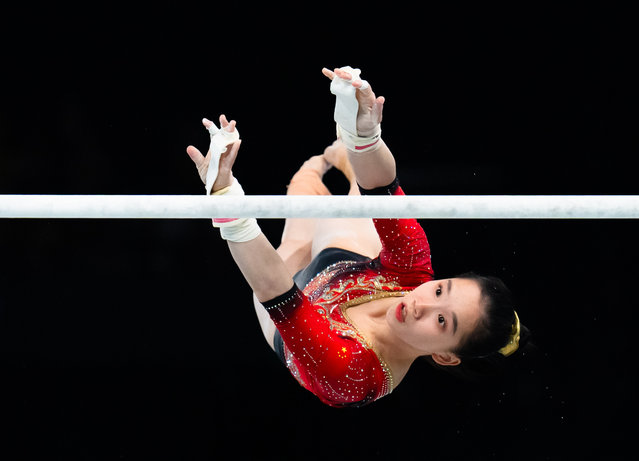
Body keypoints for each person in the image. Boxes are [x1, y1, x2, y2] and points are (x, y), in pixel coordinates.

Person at [185, 66, 525, 408]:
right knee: (351, 209)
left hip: (291, 308)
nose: (420, 304)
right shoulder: (413, 273)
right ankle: (344, 154)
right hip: (345, 266)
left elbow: (275, 290)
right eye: (440, 289)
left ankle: (323, 162)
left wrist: (225, 197)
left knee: (303, 190)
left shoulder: (354, 375)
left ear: (445, 356)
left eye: (441, 322)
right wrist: (364, 136)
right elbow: (382, 189)